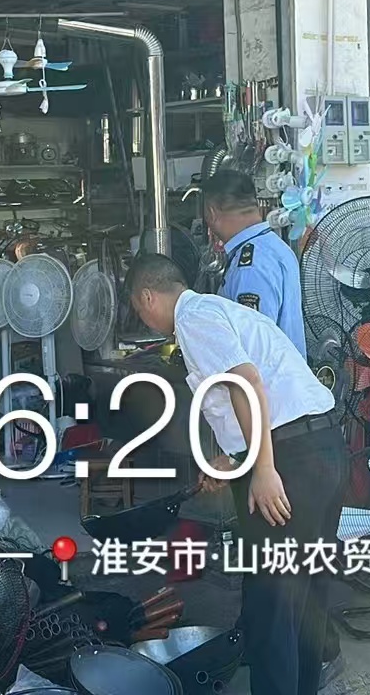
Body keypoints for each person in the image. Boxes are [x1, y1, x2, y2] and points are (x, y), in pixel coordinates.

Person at [124, 252, 346, 695]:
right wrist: (233, 460)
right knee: (304, 597)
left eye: (137, 309)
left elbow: (246, 382)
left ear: (147, 296)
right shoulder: (221, 311)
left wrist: (262, 469)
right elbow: (260, 393)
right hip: (322, 448)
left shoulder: (193, 318)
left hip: (288, 462)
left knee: (272, 604)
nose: (143, 318)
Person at [202, 170, 307, 357]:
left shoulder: (250, 266)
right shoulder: (274, 247)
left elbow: (254, 348)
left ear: (211, 213)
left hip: (265, 376)